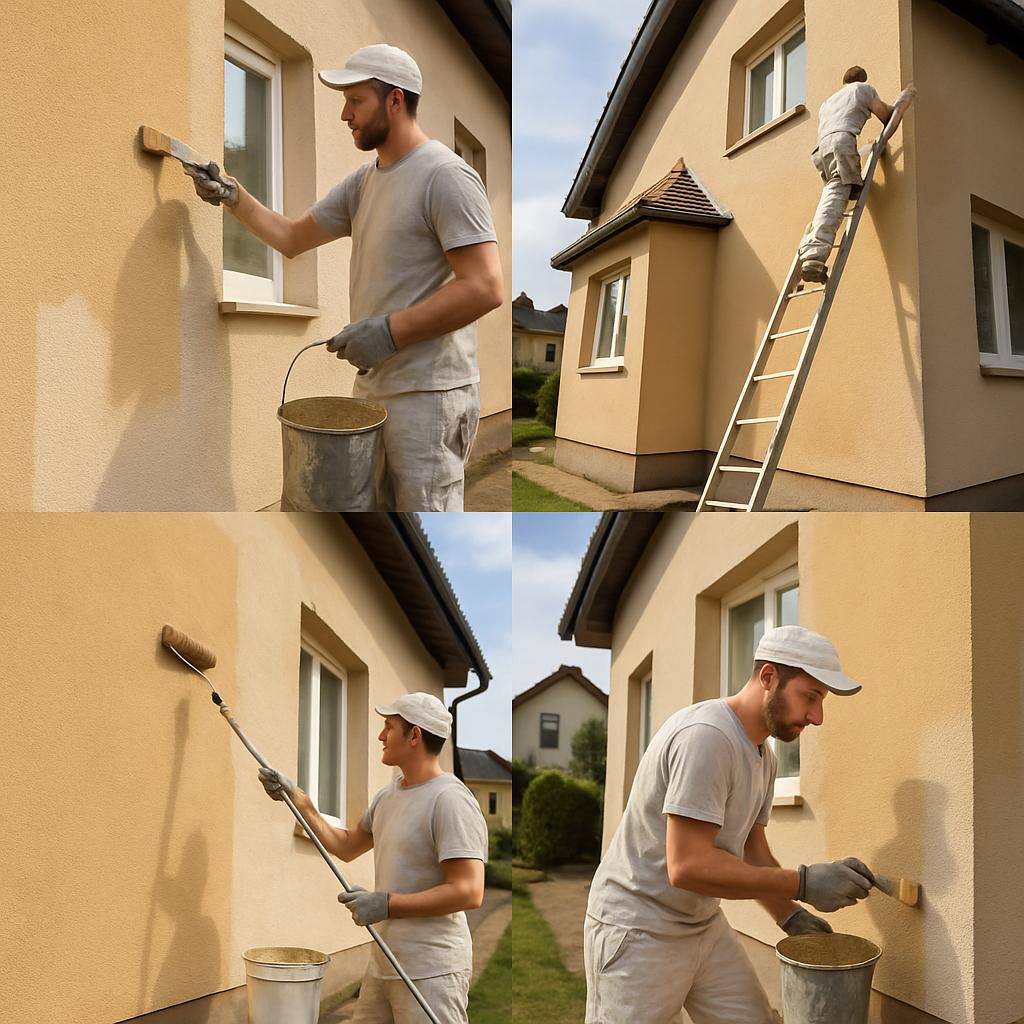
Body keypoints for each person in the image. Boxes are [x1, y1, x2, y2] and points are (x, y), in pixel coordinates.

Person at [185, 44, 504, 511]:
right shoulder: (364, 182)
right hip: (374, 393)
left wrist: (389, 332)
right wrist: (233, 196)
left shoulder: (446, 175)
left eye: (355, 101)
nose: (344, 114)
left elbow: (485, 287)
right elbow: (292, 237)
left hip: (430, 397)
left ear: (395, 100)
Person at [583, 625, 878, 1024]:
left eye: (821, 700)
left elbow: (752, 850)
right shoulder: (706, 737)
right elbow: (687, 866)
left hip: (701, 925)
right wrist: (804, 882)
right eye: (810, 696)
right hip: (638, 929)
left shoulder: (764, 755)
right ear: (769, 677)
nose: (817, 716)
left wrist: (789, 914)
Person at [258, 692, 488, 1023]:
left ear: (414, 736)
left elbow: (468, 891)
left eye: (389, 727)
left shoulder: (450, 800)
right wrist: (299, 800)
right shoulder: (388, 796)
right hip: (385, 963)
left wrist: (386, 904)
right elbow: (346, 845)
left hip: (431, 970)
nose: (381, 736)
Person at [798, 67, 914, 283]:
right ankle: (814, 255)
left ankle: (810, 244)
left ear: (844, 81)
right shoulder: (862, 89)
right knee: (835, 194)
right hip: (841, 143)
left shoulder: (828, 102)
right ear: (861, 79)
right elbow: (886, 115)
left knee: (834, 191)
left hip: (821, 150)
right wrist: (901, 103)